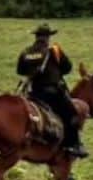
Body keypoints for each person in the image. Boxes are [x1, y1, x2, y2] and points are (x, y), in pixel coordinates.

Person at [17, 23, 87, 158]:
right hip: (52, 93)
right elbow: (67, 68)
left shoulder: (26, 52)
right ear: (48, 37)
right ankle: (73, 145)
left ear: (36, 37)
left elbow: (20, 71)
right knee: (71, 114)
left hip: (34, 93)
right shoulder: (54, 50)